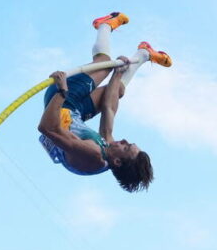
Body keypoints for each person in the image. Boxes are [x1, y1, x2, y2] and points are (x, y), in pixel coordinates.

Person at [38, 12, 172, 192]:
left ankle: (104, 25)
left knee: (104, 63)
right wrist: (118, 73)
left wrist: (62, 91)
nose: (123, 140)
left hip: (62, 101)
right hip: (75, 110)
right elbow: (109, 108)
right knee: (118, 90)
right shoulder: (108, 151)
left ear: (117, 161)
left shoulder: (93, 155)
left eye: (126, 147)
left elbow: (47, 128)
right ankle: (143, 54)